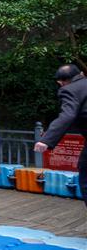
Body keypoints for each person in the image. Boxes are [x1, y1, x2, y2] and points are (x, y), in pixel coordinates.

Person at [34, 64, 87, 205]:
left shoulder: (69, 90)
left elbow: (68, 115)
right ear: (81, 73)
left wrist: (46, 140)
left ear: (61, 82)